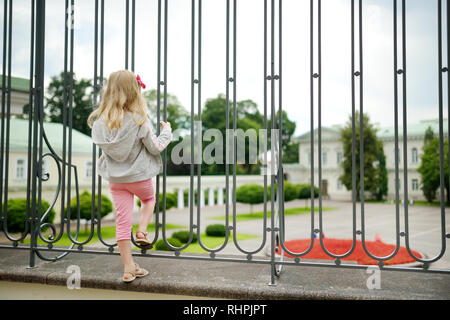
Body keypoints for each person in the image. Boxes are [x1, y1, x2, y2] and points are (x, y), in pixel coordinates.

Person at [87, 70, 172, 283]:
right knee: (148, 200)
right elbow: (155, 148)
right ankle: (142, 232)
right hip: (140, 178)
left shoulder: (99, 124)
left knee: (122, 223)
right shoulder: (139, 120)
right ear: (134, 92)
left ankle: (128, 269)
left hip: (116, 181)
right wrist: (167, 133)